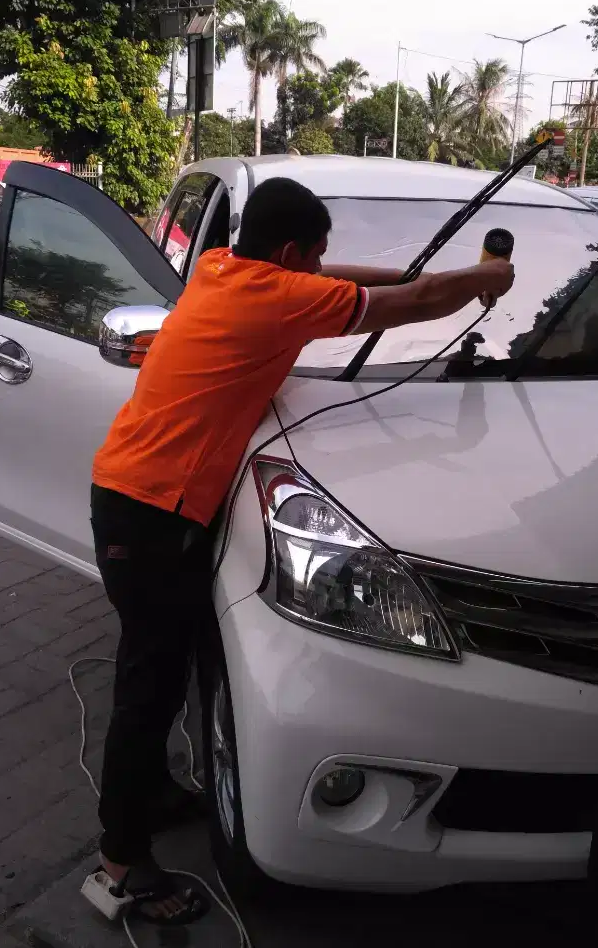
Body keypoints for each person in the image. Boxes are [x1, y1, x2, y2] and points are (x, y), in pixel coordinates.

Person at [90, 177, 514, 924]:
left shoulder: (224, 266)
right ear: (289, 255)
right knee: (146, 686)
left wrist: (424, 277)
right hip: (149, 513)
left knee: (162, 659)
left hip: (135, 496)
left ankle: (151, 791)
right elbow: (405, 308)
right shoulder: (278, 298)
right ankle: (121, 863)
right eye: (314, 257)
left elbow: (354, 284)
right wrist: (479, 281)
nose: (323, 268)